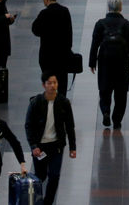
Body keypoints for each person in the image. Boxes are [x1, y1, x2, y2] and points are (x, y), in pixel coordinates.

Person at [25, 72, 77, 205]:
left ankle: (47, 202)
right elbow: (28, 125)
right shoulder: (36, 102)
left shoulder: (64, 102)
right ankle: (37, 199)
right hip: (40, 147)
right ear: (44, 85)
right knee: (40, 177)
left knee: (54, 176)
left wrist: (73, 147)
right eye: (49, 83)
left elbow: (70, 126)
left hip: (56, 146)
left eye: (55, 82)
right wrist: (33, 146)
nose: (53, 86)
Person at [89, 0, 129, 129]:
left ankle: (105, 111)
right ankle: (117, 119)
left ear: (108, 7)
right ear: (121, 8)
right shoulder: (127, 25)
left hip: (105, 62)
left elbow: (95, 44)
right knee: (121, 92)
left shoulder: (100, 24)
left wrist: (92, 62)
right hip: (122, 63)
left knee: (105, 90)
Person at [31, 0, 73, 96]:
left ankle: (50, 99)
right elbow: (69, 33)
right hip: (62, 54)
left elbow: (35, 29)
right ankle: (62, 102)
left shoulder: (44, 13)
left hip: (47, 54)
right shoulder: (65, 11)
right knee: (62, 81)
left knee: (49, 79)